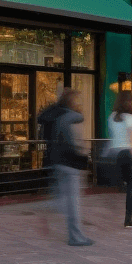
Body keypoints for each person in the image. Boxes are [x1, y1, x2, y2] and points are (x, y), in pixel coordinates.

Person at [37, 88, 92, 246]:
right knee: (73, 203)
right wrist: (82, 157)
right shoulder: (70, 117)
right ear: (72, 101)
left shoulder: (54, 115)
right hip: (70, 164)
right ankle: (76, 237)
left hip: (56, 163)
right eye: (77, 100)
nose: (79, 103)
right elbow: (73, 143)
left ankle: (45, 208)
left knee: (63, 200)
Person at [106, 91, 132, 228]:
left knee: (124, 184)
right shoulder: (131, 119)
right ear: (129, 102)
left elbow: (112, 137)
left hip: (116, 155)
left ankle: (119, 184)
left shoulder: (110, 118)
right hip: (128, 153)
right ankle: (128, 219)